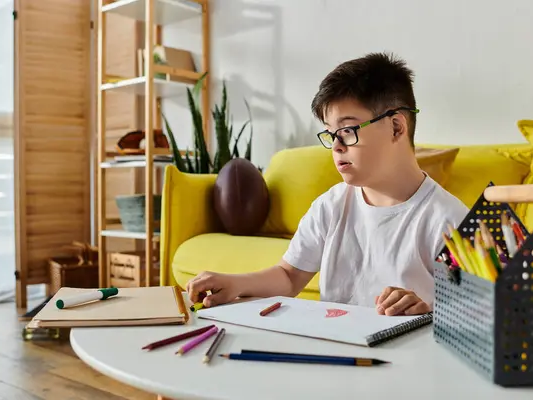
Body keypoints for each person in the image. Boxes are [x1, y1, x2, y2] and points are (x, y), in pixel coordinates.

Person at [187, 52, 469, 316]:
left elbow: (475, 316)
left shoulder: (449, 221)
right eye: (330, 133)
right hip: (335, 354)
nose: (336, 146)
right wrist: (236, 284)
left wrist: (429, 310)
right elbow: (289, 276)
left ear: (396, 126)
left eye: (347, 131)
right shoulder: (331, 205)